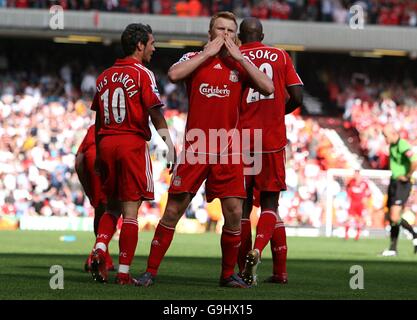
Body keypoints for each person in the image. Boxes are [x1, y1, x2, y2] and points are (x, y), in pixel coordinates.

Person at [136, 11, 274, 289]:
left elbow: (268, 87)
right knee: (174, 210)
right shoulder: (192, 59)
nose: (225, 35)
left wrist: (240, 58)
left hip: (229, 150)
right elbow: (174, 75)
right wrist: (206, 53)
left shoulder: (239, 65)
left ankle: (227, 275)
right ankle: (150, 271)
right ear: (210, 33)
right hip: (196, 147)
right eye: (220, 29)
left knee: (235, 212)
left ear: (236, 36)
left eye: (230, 31)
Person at [89, 23, 176, 285]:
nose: (154, 47)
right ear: (140, 45)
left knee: (111, 206)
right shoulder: (143, 74)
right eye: (151, 42)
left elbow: (98, 120)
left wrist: (97, 155)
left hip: (105, 143)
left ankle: (100, 248)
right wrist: (171, 147)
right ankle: (124, 274)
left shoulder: (104, 76)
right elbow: (155, 112)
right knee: (130, 211)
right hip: (130, 143)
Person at [237, 17, 303, 286]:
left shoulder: (235, 55)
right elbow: (298, 96)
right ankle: (265, 257)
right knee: (270, 206)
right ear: (262, 35)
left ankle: (244, 269)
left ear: (240, 36)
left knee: (240, 209)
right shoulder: (279, 55)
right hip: (271, 141)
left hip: (240, 141)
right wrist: (278, 111)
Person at [75, 124, 115, 272]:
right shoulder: (123, 125)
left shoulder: (93, 128)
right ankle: (96, 257)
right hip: (110, 159)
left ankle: (104, 258)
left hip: (91, 164)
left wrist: (87, 188)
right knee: (114, 211)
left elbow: (79, 161)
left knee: (101, 210)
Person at [381, 125, 417, 256]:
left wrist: (407, 176)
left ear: (393, 133)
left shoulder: (402, 145)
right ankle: (392, 249)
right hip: (394, 182)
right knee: (391, 218)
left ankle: (414, 235)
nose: (384, 139)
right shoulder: (392, 146)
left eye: (385, 136)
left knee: (394, 216)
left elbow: (414, 161)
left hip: (403, 183)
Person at [344, 170, 371, 241]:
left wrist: (366, 200)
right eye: (355, 174)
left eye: (357, 174)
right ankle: (346, 235)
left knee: (359, 220)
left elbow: (368, 193)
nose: (356, 176)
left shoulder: (364, 184)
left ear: (359, 175)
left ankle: (357, 235)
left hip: (360, 203)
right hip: (352, 203)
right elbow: (347, 190)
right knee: (349, 218)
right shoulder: (351, 182)